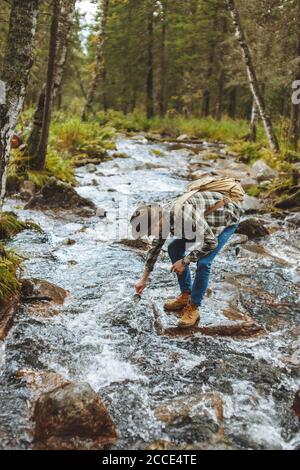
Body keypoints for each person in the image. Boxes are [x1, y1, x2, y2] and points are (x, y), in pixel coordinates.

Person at [130, 177, 243, 328]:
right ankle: (185, 295)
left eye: (149, 231)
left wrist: (184, 261)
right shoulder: (163, 218)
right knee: (173, 248)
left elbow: (210, 242)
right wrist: (143, 279)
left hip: (226, 220)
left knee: (204, 262)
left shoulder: (181, 214)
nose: (150, 236)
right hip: (203, 223)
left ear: (157, 221)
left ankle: (193, 308)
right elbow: (155, 248)